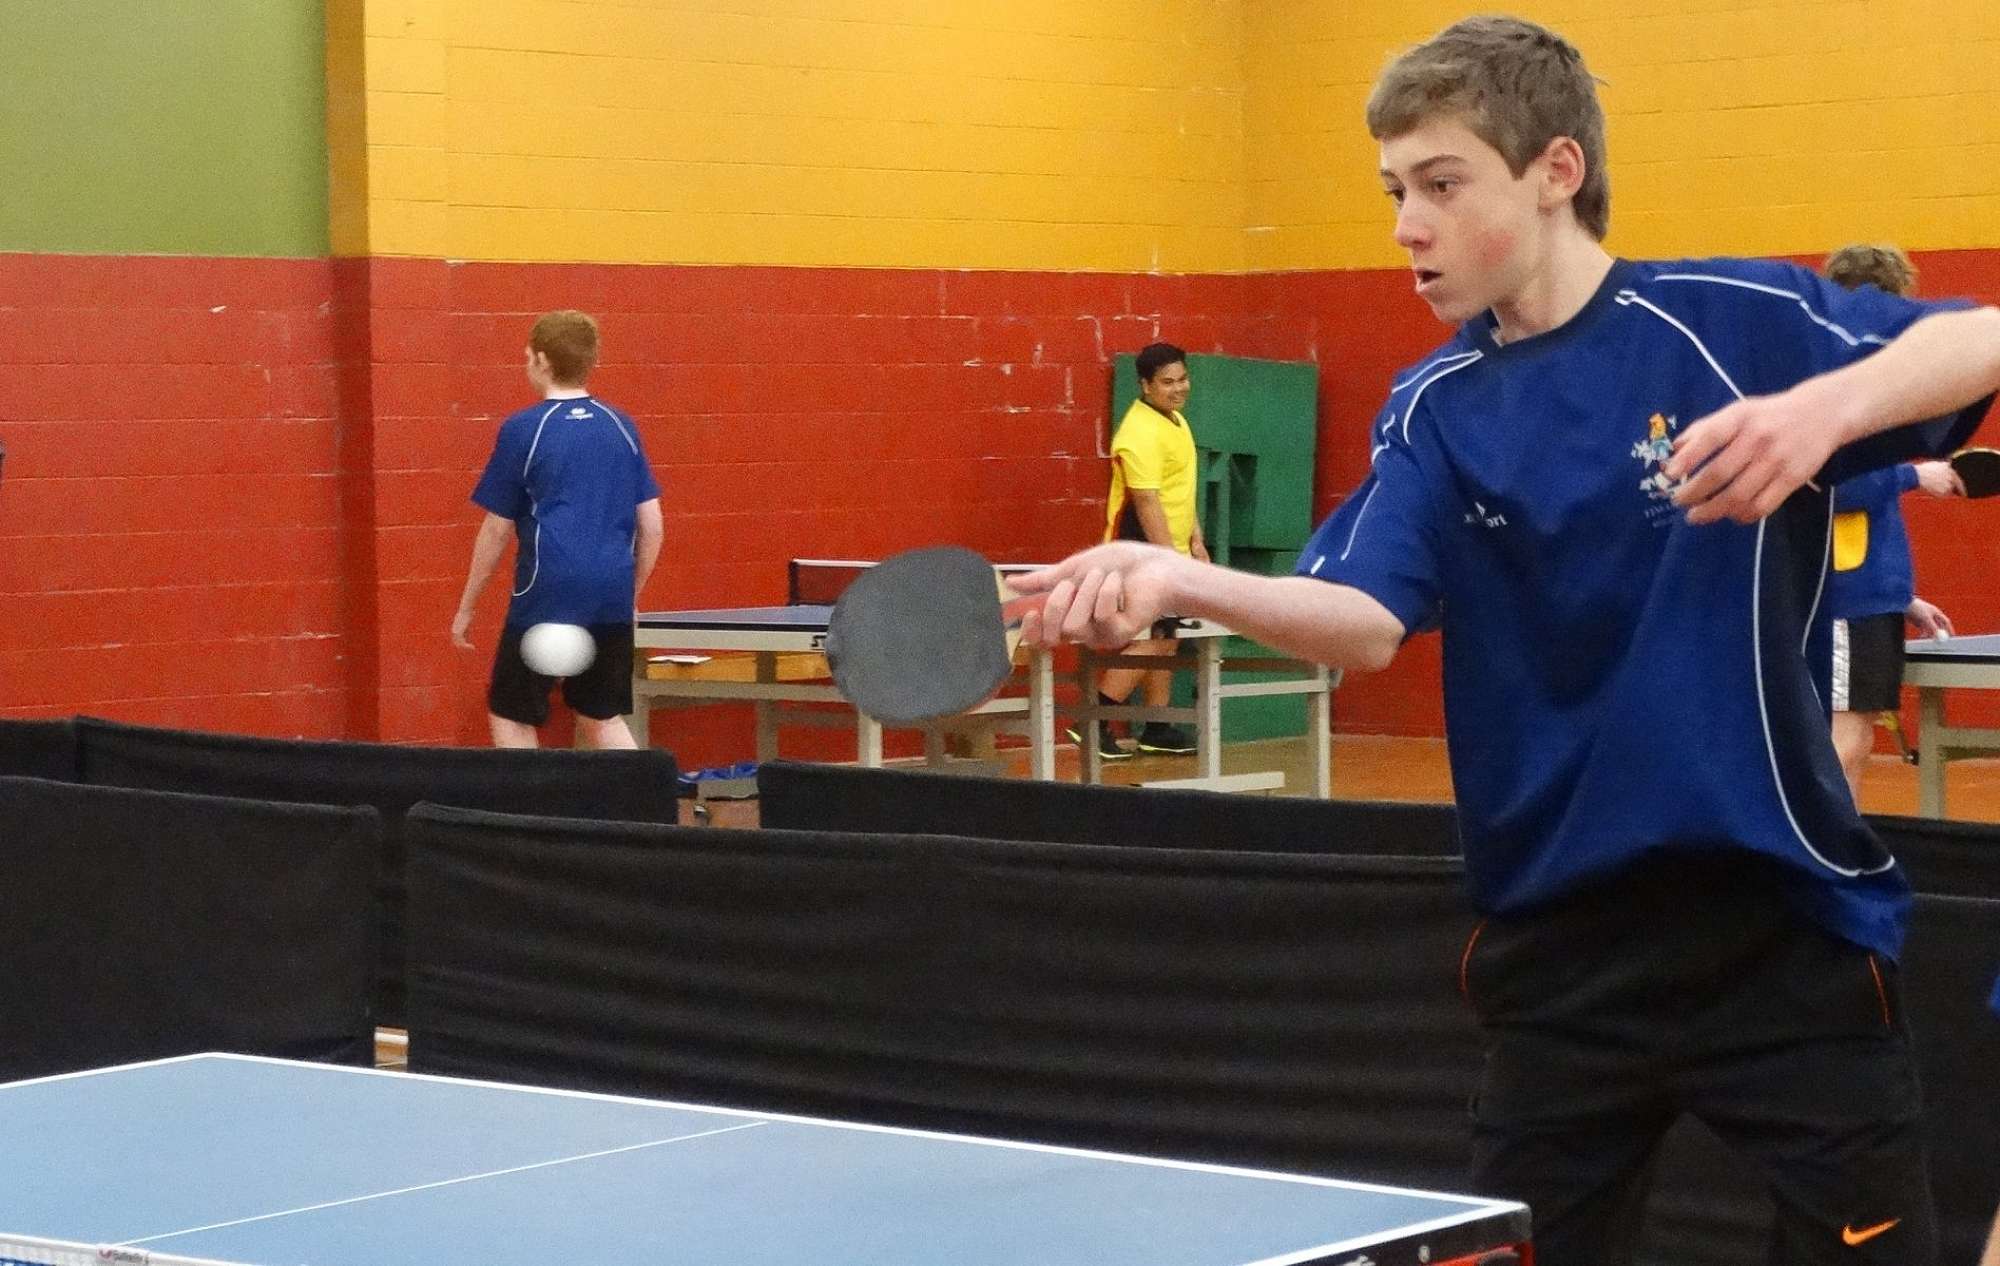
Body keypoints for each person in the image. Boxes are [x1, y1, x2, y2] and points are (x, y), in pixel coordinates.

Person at [1014, 16, 2000, 1266]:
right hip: (1557, 952)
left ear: (1553, 172)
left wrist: (1822, 410)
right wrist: (1178, 578)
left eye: (1439, 184)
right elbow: (1364, 624)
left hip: (1779, 934)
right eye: (1392, 192)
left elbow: (1981, 335)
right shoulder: (1433, 407)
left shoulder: (1728, 321)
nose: (1404, 226)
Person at [452, 310, 664, 749]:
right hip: (610, 594)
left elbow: (496, 530)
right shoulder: (621, 426)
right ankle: (646, 793)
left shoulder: (524, 429)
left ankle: (531, 797)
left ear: (543, 361)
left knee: (510, 713)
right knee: (601, 715)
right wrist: (630, 595)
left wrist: (468, 604)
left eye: (527, 356)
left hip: (547, 592)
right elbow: (653, 525)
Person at [1820, 245, 1966, 799]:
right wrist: (1914, 475)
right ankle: (1823, 850)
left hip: (1869, 599)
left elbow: (1864, 522)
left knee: (1856, 741)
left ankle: (1839, 846)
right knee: (1842, 743)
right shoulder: (1833, 391)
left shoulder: (1869, 394)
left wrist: (1901, 598)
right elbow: (1829, 489)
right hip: (1844, 603)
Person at [1090, 342, 1209, 756]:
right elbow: (1146, 501)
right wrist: (1169, 561)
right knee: (1159, 638)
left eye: (1183, 379)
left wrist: (1195, 539)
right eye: (1167, 382)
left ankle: (1157, 726)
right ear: (1145, 385)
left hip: (1168, 549)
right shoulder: (1138, 434)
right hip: (1141, 553)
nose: (1178, 389)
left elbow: (1179, 490)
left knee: (1167, 636)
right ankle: (1094, 719)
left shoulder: (1175, 421)